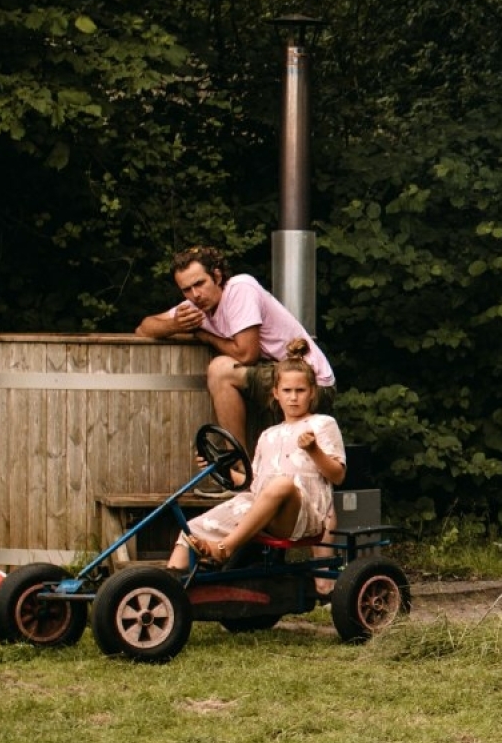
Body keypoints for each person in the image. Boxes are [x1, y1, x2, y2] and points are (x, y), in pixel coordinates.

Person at [168, 346, 345, 571]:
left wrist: (314, 451)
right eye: (287, 390)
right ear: (276, 393)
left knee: (281, 484)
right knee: (190, 533)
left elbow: (338, 476)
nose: (293, 397)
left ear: (312, 392)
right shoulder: (267, 435)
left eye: (300, 391)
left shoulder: (323, 424)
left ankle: (226, 549)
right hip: (262, 510)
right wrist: (219, 469)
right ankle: (166, 591)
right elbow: (254, 485)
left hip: (301, 516)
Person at [136, 245, 337, 442]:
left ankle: (237, 462)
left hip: (312, 383)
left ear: (217, 276)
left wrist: (207, 337)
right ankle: (242, 467)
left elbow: (247, 355)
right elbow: (143, 328)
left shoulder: (240, 289)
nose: (195, 294)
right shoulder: (195, 307)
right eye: (186, 289)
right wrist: (175, 324)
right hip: (277, 378)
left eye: (199, 284)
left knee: (220, 370)